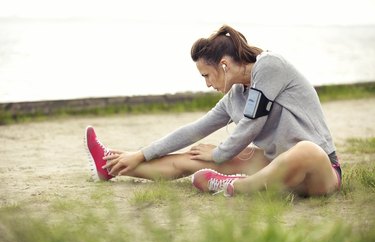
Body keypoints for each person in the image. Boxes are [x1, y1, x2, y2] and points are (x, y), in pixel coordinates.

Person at [84, 24, 342, 197]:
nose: (207, 84)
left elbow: (252, 123)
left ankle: (235, 187)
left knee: (307, 149)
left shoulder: (270, 66)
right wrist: (140, 154)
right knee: (195, 155)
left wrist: (218, 154)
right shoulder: (235, 96)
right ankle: (111, 168)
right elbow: (194, 130)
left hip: (320, 173)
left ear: (225, 65)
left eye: (207, 75)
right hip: (274, 166)